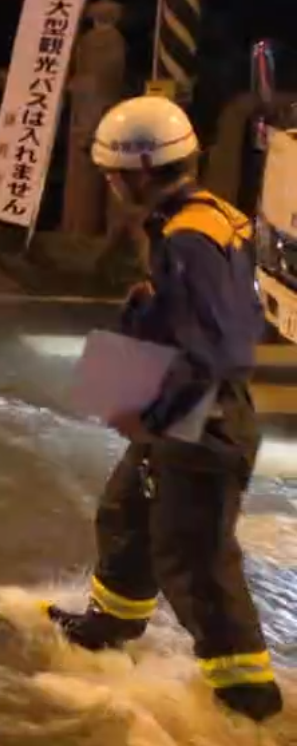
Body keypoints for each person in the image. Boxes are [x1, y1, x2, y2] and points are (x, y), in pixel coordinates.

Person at [46, 95, 283, 722]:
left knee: (194, 559)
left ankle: (248, 698)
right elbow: (229, 314)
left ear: (142, 170)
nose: (108, 182)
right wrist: (152, 306)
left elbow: (222, 353)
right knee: (125, 511)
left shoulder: (189, 240)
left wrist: (150, 416)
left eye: (112, 172)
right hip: (182, 407)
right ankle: (108, 626)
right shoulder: (205, 217)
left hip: (202, 420)